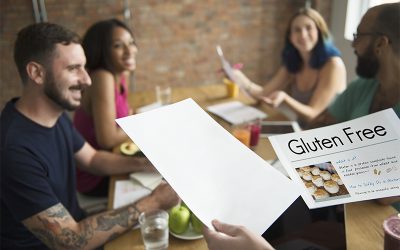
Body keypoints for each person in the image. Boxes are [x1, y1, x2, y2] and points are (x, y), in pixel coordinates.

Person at [203, 3, 400, 249]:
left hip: (382, 225)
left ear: (381, 44)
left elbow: (385, 195)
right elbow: (318, 128)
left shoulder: (334, 65)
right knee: (265, 193)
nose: (352, 44)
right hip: (340, 192)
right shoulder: (363, 87)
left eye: (359, 36)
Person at [0, 22, 179, 249]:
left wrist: (146, 164)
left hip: (79, 223)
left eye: (84, 67)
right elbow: (70, 240)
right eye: (74, 68)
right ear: (37, 73)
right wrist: (154, 202)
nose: (87, 80)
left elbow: (93, 159)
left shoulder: (54, 116)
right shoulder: (13, 150)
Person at [231, 7, 346, 126]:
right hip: (302, 130)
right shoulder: (294, 63)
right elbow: (264, 93)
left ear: (319, 31)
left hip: (328, 137)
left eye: (308, 28)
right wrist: (238, 78)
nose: (303, 35)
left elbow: (313, 115)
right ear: (290, 37)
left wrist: (285, 98)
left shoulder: (333, 65)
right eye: (297, 30)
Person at [73, 19, 137, 197]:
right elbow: (107, 139)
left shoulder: (119, 74)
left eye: (131, 43)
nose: (129, 50)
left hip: (112, 160)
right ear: (102, 51)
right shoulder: (102, 77)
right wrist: (137, 123)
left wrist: (133, 120)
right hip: (95, 176)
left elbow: (126, 114)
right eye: (118, 46)